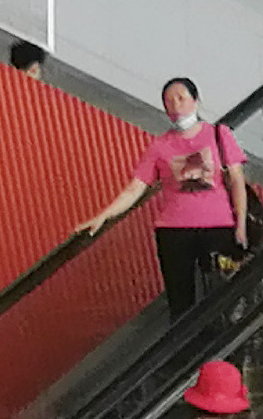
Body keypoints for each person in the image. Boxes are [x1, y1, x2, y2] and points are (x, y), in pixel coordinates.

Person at [66, 78, 249, 313]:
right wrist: (103, 216)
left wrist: (240, 225)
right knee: (180, 301)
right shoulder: (159, 145)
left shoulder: (218, 134)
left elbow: (237, 181)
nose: (176, 105)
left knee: (221, 296)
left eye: (181, 98)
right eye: (169, 102)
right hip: (174, 231)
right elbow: (135, 188)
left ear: (196, 101)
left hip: (218, 226)